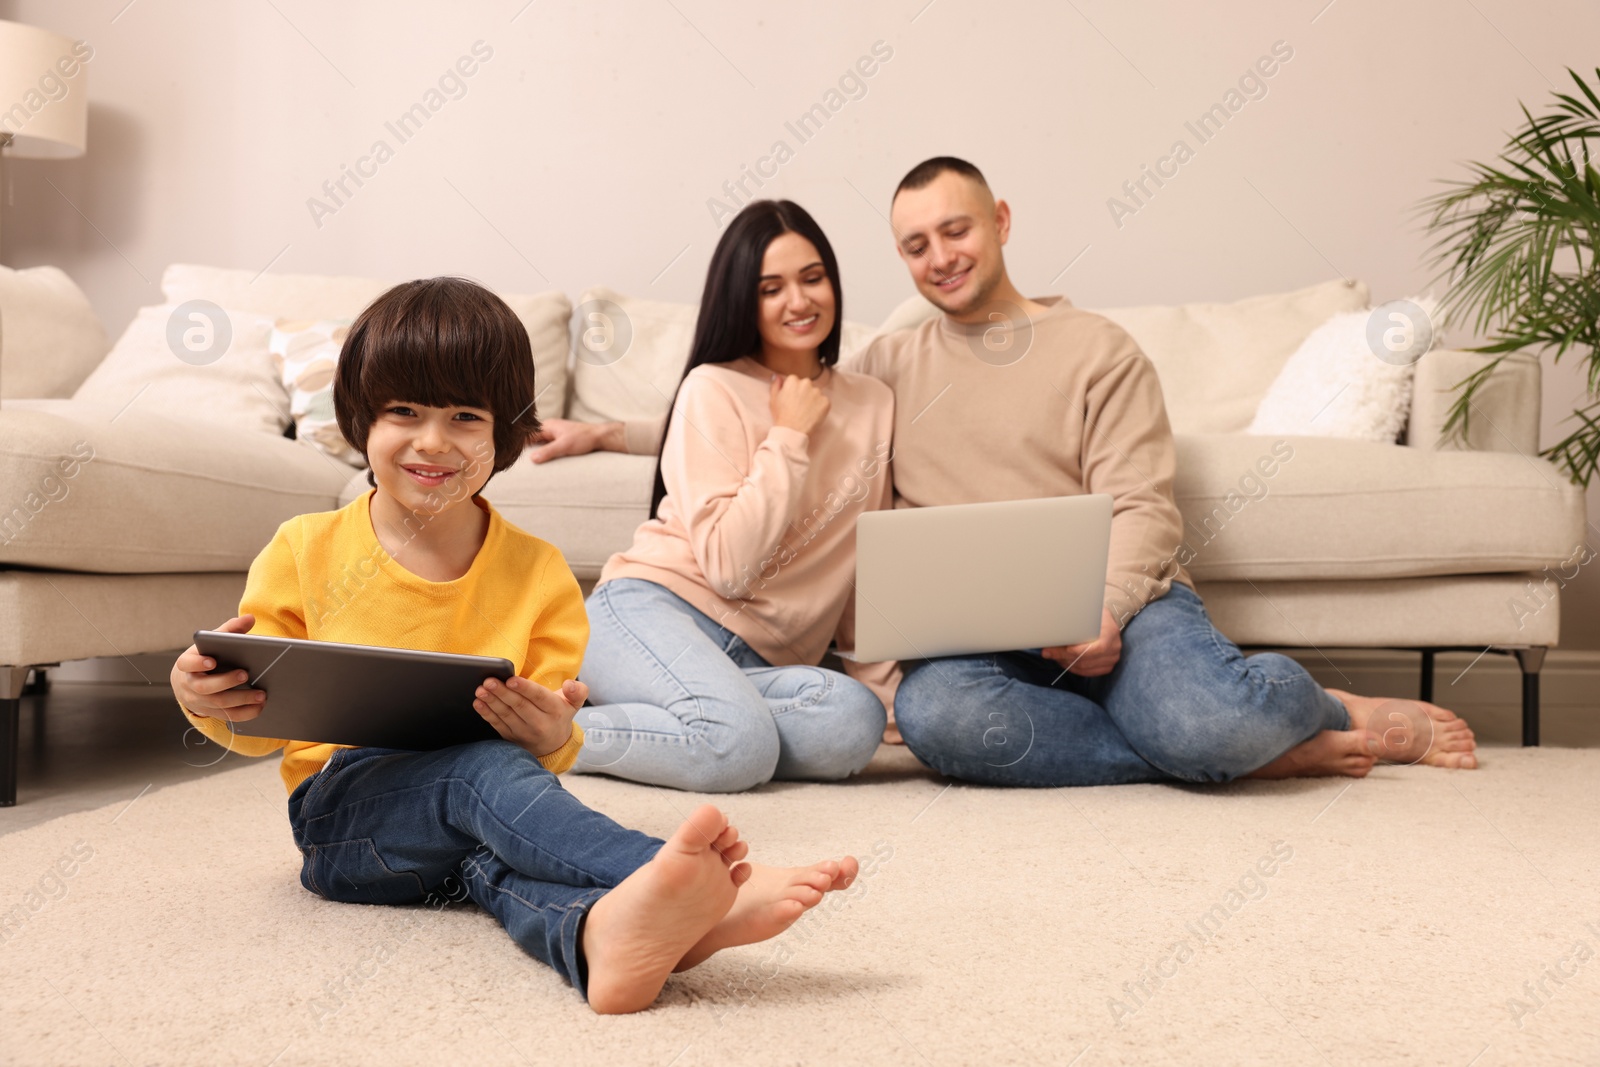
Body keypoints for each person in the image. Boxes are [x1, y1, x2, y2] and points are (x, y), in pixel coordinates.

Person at [168, 277, 859, 1014]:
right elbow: (252, 716)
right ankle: (693, 883)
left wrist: (557, 734)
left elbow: (546, 743)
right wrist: (206, 698)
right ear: (361, 419)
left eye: (464, 417)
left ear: (503, 435)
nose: (432, 441)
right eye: (404, 411)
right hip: (343, 824)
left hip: (458, 831)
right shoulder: (303, 548)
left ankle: (597, 936)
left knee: (490, 856)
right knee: (479, 775)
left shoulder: (539, 572)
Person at [851, 156, 1478, 786]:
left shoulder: (1099, 348)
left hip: (1117, 605)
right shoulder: (886, 365)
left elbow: (1141, 504)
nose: (940, 257)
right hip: (973, 637)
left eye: (956, 231)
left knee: (1214, 723)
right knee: (935, 718)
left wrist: (1105, 608)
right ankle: (1253, 757)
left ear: (1001, 222)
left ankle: (1332, 709)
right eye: (916, 245)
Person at [571, 200, 895, 793]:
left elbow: (861, 554)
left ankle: (689, 721)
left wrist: (879, 682)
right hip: (650, 611)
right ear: (744, 299)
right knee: (738, 749)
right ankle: (545, 734)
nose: (798, 302)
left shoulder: (873, 402)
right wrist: (789, 435)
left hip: (759, 663)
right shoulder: (711, 387)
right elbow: (729, 567)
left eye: (812, 278)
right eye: (772, 288)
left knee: (855, 722)